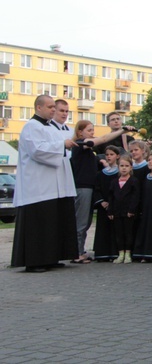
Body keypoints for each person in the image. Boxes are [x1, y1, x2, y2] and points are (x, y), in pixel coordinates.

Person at [11, 95, 79, 272]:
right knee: (39, 225)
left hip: (54, 185)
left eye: (53, 107)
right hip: (37, 186)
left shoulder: (52, 128)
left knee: (53, 222)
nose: (53, 110)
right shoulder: (31, 127)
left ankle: (52, 257)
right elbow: (37, 150)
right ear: (38, 107)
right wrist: (62, 145)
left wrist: (64, 145)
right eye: (50, 107)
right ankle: (35, 261)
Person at [70, 120, 135, 263]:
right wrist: (122, 131)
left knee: (85, 221)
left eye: (93, 130)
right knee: (81, 221)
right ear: (80, 132)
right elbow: (104, 139)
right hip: (83, 187)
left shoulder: (86, 148)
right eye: (89, 130)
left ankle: (80, 250)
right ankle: (77, 253)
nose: (92, 133)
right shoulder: (81, 144)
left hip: (88, 186)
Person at [109, 154, 140, 264]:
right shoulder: (114, 182)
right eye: (121, 165)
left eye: (126, 166)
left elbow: (135, 197)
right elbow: (111, 197)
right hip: (117, 212)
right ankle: (120, 253)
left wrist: (132, 210)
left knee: (128, 233)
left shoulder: (133, 181)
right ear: (118, 167)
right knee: (119, 233)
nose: (124, 168)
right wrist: (111, 211)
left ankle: (128, 253)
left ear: (131, 167)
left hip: (128, 212)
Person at [92, 146, 121, 262]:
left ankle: (115, 252)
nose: (109, 157)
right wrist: (101, 201)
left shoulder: (120, 173)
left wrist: (113, 202)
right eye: (107, 154)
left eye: (111, 154)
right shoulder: (101, 174)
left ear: (117, 156)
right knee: (103, 229)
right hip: (103, 206)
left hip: (115, 206)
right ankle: (102, 253)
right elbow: (97, 189)